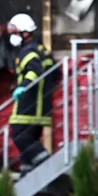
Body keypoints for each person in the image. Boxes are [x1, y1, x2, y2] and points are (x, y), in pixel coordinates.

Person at [6, 13, 57, 170]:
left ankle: (46, 164)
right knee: (31, 138)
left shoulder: (28, 52)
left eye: (14, 33)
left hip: (30, 103)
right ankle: (27, 171)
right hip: (43, 103)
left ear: (25, 32)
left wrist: (23, 86)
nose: (12, 37)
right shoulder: (42, 50)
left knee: (19, 134)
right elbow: (55, 73)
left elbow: (34, 71)